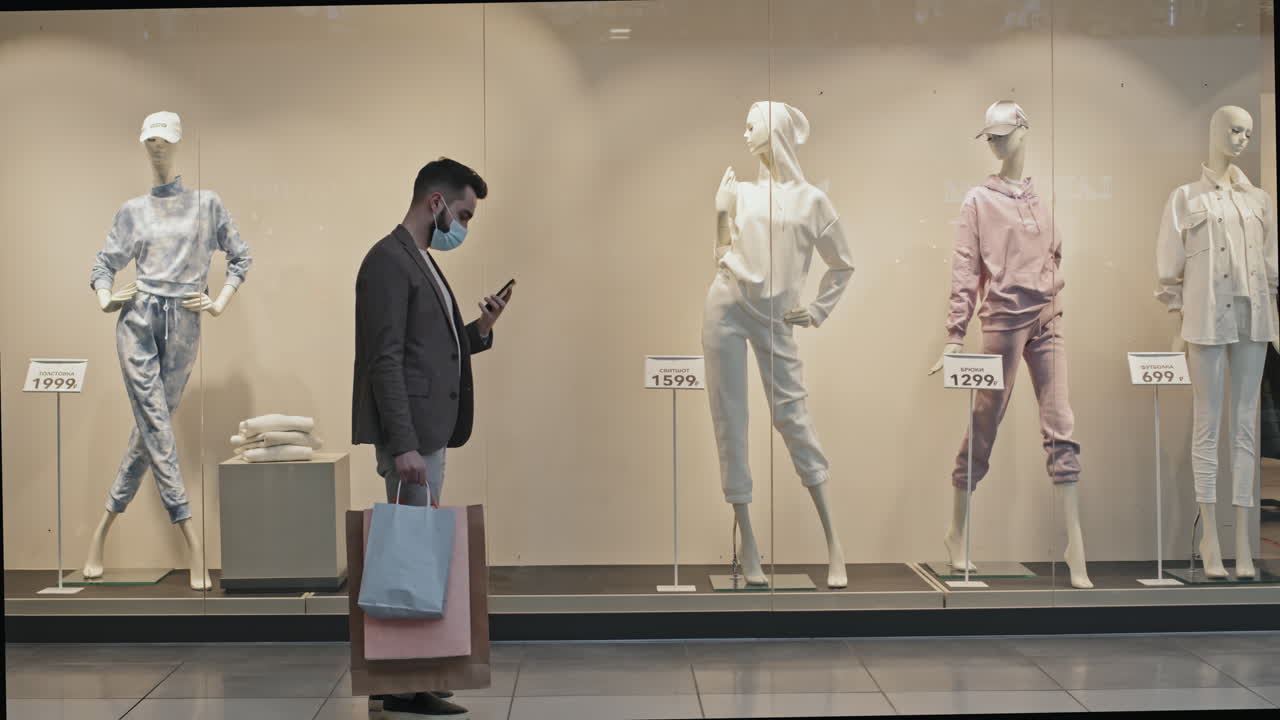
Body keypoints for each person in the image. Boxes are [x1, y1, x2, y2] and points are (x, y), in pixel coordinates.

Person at [352, 157, 511, 718]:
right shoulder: (388, 261)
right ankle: (398, 682)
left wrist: (482, 329)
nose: (464, 226)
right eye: (463, 213)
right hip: (413, 438)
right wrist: (403, 445)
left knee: (418, 556)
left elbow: (434, 351)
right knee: (407, 556)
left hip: (428, 433)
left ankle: (415, 671)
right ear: (436, 202)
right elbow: (386, 360)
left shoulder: (417, 260)